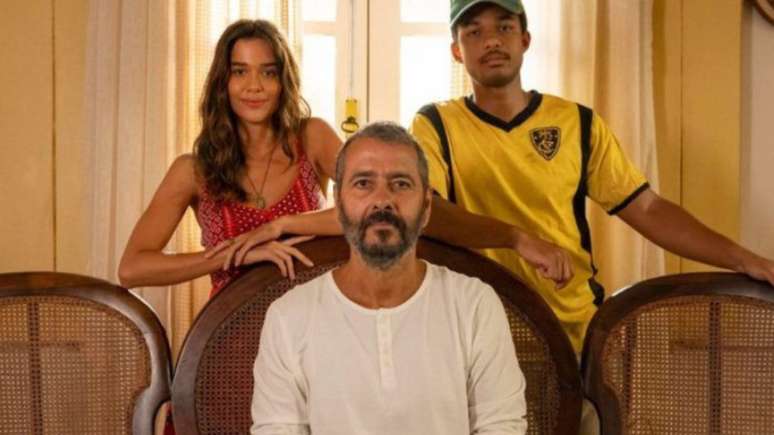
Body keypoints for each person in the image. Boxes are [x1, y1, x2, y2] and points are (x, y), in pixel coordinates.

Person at [408, 0, 774, 356]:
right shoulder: (435, 125)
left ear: (525, 39)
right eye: (474, 32)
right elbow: (425, 212)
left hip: (573, 335)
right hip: (480, 333)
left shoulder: (577, 123)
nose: (491, 41)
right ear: (456, 51)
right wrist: (516, 238)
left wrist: (744, 260)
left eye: (504, 27)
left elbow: (648, 209)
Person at [250, 122, 527, 435]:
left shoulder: (474, 305)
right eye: (363, 183)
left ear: (426, 207)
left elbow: (502, 426)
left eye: (401, 184)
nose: (382, 200)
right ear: (338, 204)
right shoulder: (288, 317)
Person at [118, 19, 341, 296]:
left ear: (283, 81)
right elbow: (131, 269)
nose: (254, 86)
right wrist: (232, 254)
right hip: (231, 320)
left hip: (314, 316)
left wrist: (281, 226)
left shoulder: (313, 137)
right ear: (222, 82)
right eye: (240, 71)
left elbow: (374, 211)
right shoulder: (193, 171)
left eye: (268, 72)